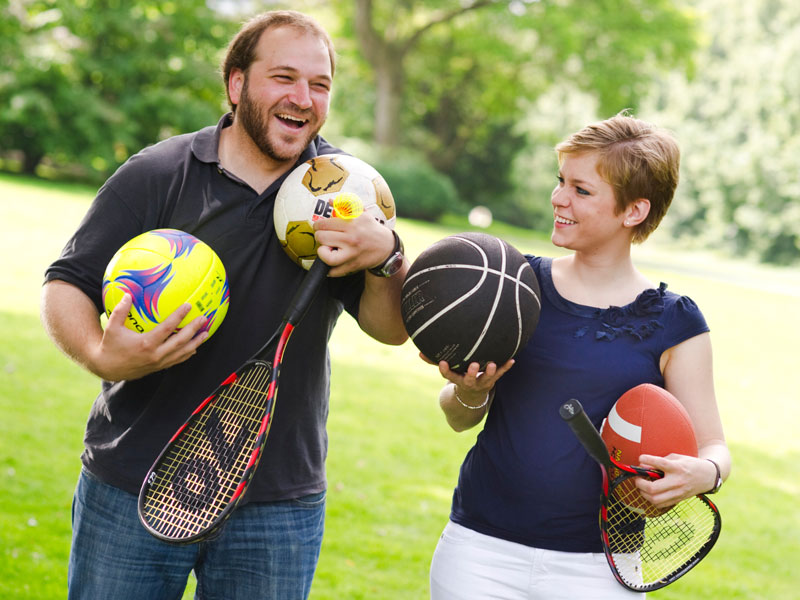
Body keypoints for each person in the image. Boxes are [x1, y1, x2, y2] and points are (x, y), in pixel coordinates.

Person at [40, 10, 409, 600]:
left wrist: (388, 257)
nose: (303, 98)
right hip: (133, 476)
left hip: (276, 500)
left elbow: (389, 330)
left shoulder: (346, 192)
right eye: (283, 77)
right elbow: (66, 282)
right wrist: (100, 355)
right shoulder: (159, 173)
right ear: (237, 84)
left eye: (320, 84)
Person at [427, 113, 731, 599]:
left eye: (581, 190)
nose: (558, 198)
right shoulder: (515, 286)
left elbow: (714, 446)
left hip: (601, 568)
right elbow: (459, 419)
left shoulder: (676, 322)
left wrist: (705, 473)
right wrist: (468, 391)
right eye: (560, 181)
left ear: (633, 211)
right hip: (481, 552)